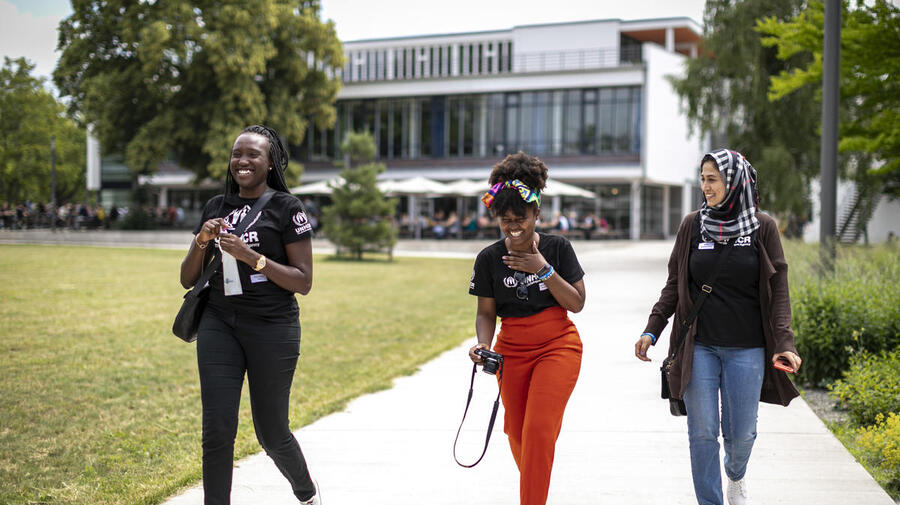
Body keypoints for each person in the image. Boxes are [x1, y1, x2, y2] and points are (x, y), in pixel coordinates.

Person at [634, 149, 802, 505]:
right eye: (703, 179)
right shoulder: (692, 225)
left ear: (734, 181)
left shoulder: (763, 227)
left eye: (713, 179)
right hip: (700, 347)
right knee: (702, 433)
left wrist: (784, 342)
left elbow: (779, 291)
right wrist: (652, 329)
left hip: (748, 347)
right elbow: (674, 284)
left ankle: (736, 476)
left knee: (740, 434)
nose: (705, 187)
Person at [179, 125, 321, 505]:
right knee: (217, 428)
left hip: (272, 327)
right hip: (219, 322)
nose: (242, 161)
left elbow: (303, 281)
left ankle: (306, 492)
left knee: (271, 432)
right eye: (237, 154)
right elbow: (187, 278)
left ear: (270, 162)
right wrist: (200, 242)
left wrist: (252, 257)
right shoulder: (215, 206)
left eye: (252, 154)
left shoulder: (287, 208)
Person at [468, 152, 586, 505]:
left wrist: (542, 268)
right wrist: (482, 344)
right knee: (516, 433)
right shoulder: (488, 259)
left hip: (558, 346)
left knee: (537, 431)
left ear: (538, 213)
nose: (514, 226)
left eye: (522, 218)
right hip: (510, 351)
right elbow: (486, 312)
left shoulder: (557, 248)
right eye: (506, 220)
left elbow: (577, 303)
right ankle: (535, 490)